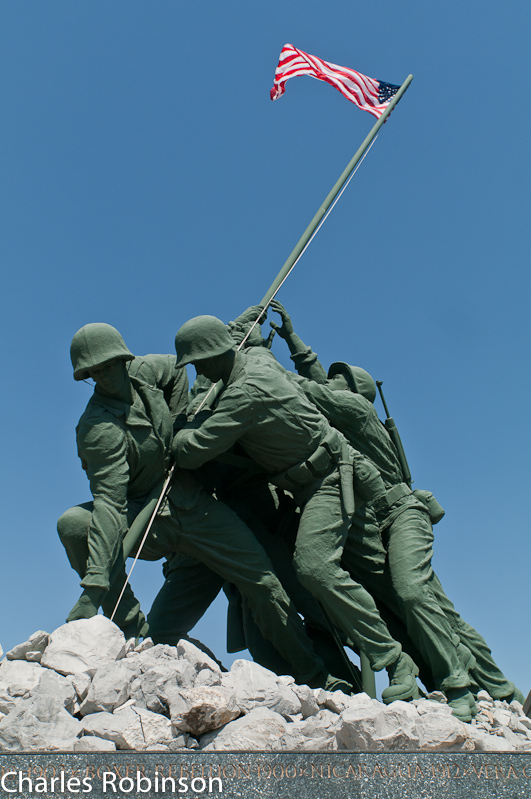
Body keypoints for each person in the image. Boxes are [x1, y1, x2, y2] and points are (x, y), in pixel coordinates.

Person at [57, 322, 355, 692]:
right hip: (147, 517)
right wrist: (94, 588)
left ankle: (314, 674)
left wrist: (182, 423)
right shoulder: (98, 428)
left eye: (110, 364)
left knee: (263, 582)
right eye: (94, 372)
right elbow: (108, 504)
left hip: (196, 508)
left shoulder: (148, 372)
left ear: (123, 358)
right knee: (76, 527)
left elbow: (179, 374)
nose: (105, 375)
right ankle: (130, 628)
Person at [268, 299, 524, 716]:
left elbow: (305, 389)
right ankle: (501, 688)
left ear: (353, 391)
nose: (330, 381)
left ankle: (460, 686)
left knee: (412, 591)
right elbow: (316, 380)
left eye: (339, 379)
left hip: (402, 513)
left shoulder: (354, 409)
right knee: (437, 610)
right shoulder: (346, 408)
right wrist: (294, 340)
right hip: (376, 519)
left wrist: (259, 358)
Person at [172, 314, 421, 705]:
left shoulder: (245, 394)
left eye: (198, 362)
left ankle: (397, 661)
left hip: (329, 479)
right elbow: (244, 338)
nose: (198, 371)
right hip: (308, 486)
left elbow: (192, 451)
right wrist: (249, 317)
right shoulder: (258, 359)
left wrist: (180, 432)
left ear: (214, 354)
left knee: (315, 567)